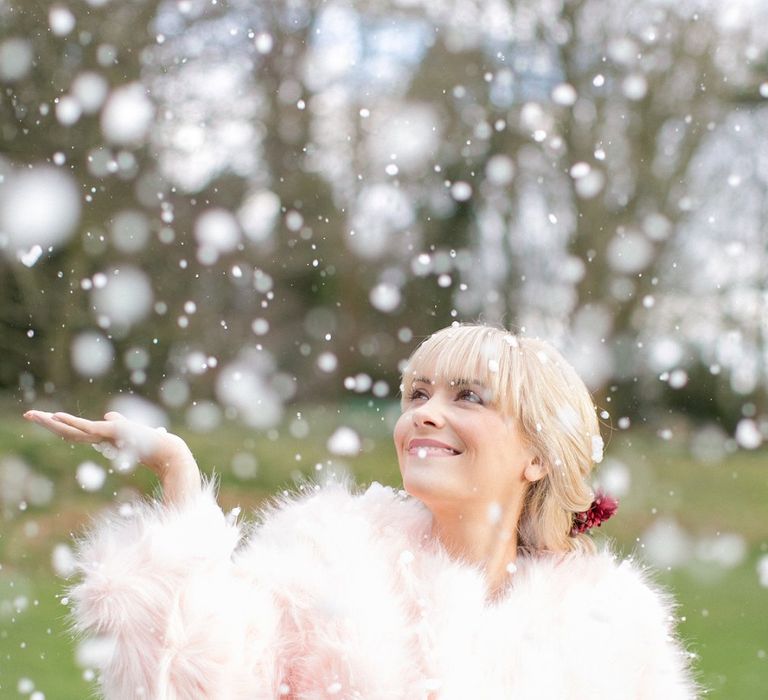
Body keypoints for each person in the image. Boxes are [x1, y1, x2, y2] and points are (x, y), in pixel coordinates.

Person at [24, 323, 698, 699]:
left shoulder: (610, 625)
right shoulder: (330, 560)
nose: (425, 413)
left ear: (538, 456)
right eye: (417, 393)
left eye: (469, 396)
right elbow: (194, 683)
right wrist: (179, 473)